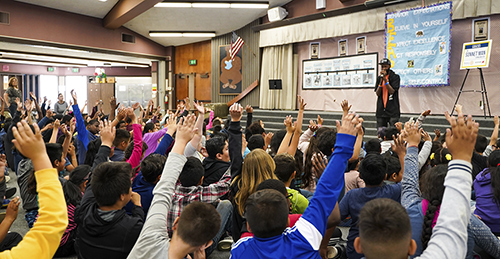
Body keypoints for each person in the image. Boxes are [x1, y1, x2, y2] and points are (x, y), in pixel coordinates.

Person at [230, 113, 361, 258]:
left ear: (248, 226)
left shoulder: (239, 250)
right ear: (288, 221)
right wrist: (344, 145)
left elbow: (324, 194)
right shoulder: (303, 237)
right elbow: (324, 194)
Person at [355, 111, 478, 259]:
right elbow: (451, 232)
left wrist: (462, 158)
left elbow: (409, 185)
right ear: (411, 247)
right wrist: (462, 158)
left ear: (358, 245)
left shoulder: (412, 208)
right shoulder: (465, 223)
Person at [127, 114, 221, 259]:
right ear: (206, 244)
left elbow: (164, 189)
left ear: (175, 223)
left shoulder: (150, 236)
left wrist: (180, 142)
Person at [74, 120, 144, 259]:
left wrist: (105, 143)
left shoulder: (85, 209)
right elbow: (139, 224)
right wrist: (137, 206)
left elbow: (94, 172)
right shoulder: (130, 228)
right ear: (123, 196)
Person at [3, 120, 68, 257]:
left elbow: (49, 153)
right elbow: (52, 224)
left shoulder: (22, 164)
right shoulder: (31, 165)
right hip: (34, 208)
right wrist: (54, 131)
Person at [375, 58, 400, 129]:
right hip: (381, 110)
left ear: (389, 66)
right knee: (380, 132)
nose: (383, 68)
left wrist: (385, 80)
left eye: (385, 66)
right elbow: (377, 93)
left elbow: (392, 91)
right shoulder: (379, 78)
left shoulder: (395, 77)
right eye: (382, 67)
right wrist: (380, 81)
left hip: (392, 110)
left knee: (393, 131)